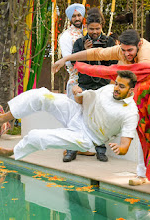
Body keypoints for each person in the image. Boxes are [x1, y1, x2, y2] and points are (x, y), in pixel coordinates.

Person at [52, 29, 150, 184]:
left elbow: (136, 72)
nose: (126, 55)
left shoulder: (148, 53)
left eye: (130, 51)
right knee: (143, 129)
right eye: (123, 51)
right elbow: (96, 53)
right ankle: (142, 174)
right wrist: (66, 59)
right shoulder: (122, 50)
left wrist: (94, 70)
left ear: (139, 44)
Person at [0, 71, 139, 161]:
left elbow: (125, 145)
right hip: (78, 113)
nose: (116, 88)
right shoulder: (108, 89)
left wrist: (121, 149)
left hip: (87, 136)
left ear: (131, 91)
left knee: (37, 136)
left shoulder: (130, 113)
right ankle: (1, 119)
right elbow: (82, 101)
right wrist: (77, 94)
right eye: (117, 83)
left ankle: (10, 151)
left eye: (121, 86)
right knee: (41, 95)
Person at [63, 8, 117, 163]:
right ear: (86, 27)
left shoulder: (110, 42)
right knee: (77, 117)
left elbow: (113, 64)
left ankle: (100, 150)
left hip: (102, 86)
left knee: (99, 118)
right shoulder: (80, 43)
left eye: (97, 29)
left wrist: (99, 53)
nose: (94, 32)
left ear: (102, 27)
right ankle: (72, 150)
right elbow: (74, 63)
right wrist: (86, 53)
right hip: (84, 85)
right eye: (91, 29)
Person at [58, 3, 85, 99]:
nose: (77, 18)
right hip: (76, 81)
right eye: (74, 16)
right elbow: (68, 61)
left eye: (79, 15)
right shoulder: (66, 36)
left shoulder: (90, 31)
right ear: (70, 18)